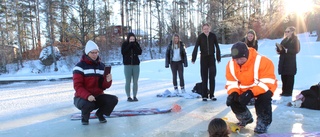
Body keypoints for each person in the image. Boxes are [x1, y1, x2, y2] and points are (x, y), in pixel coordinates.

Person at [225, 42, 277, 133]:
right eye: (236, 59)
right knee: (233, 99)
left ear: (247, 54)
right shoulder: (231, 65)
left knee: (264, 98)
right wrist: (233, 92)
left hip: (261, 91)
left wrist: (251, 93)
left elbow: (268, 83)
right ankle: (245, 118)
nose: (239, 61)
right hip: (243, 93)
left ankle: (263, 122)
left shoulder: (263, 61)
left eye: (241, 58)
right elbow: (231, 82)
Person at [73, 40, 118, 125]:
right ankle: (85, 118)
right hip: (81, 98)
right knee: (88, 104)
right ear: (87, 53)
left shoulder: (102, 66)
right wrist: (87, 95)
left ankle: (100, 114)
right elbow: (77, 86)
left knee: (113, 99)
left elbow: (104, 86)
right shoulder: (79, 67)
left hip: (97, 96)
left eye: (96, 52)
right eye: (92, 53)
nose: (95, 55)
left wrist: (108, 81)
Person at [191, 23, 221, 101]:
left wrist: (218, 57)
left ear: (209, 29)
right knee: (204, 77)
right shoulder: (200, 37)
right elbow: (196, 47)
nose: (206, 30)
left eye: (207, 29)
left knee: (212, 76)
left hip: (211, 58)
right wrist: (193, 58)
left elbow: (217, 46)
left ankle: (212, 95)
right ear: (202, 30)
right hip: (203, 58)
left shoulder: (213, 36)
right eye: (204, 29)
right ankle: (204, 95)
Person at [276, 26, 300, 96]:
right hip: (283, 61)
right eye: (285, 31)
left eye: (288, 31)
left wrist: (287, 50)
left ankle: (288, 92)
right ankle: (284, 91)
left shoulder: (295, 40)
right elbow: (281, 48)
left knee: (289, 77)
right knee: (284, 76)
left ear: (292, 32)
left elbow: (297, 50)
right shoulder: (284, 40)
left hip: (290, 61)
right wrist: (278, 49)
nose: (286, 33)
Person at [121, 32, 142, 102]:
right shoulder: (125, 44)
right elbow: (123, 52)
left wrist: (134, 46)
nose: (132, 40)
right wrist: (130, 45)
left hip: (136, 65)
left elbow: (140, 52)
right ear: (128, 39)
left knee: (135, 81)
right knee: (128, 81)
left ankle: (135, 95)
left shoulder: (137, 44)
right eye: (131, 39)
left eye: (133, 39)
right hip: (127, 65)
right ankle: (128, 96)